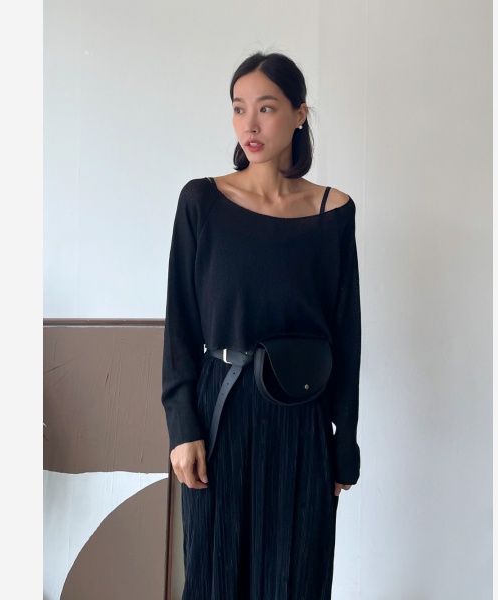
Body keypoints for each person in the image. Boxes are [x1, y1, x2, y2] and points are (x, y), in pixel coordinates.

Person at [161, 51, 362, 599]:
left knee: (295, 577)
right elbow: (181, 324)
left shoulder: (333, 212)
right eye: (238, 108)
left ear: (299, 114)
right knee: (215, 574)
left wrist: (344, 443)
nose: (249, 124)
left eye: (266, 108)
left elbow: (346, 338)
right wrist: (183, 427)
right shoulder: (202, 201)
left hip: (302, 420)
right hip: (221, 413)